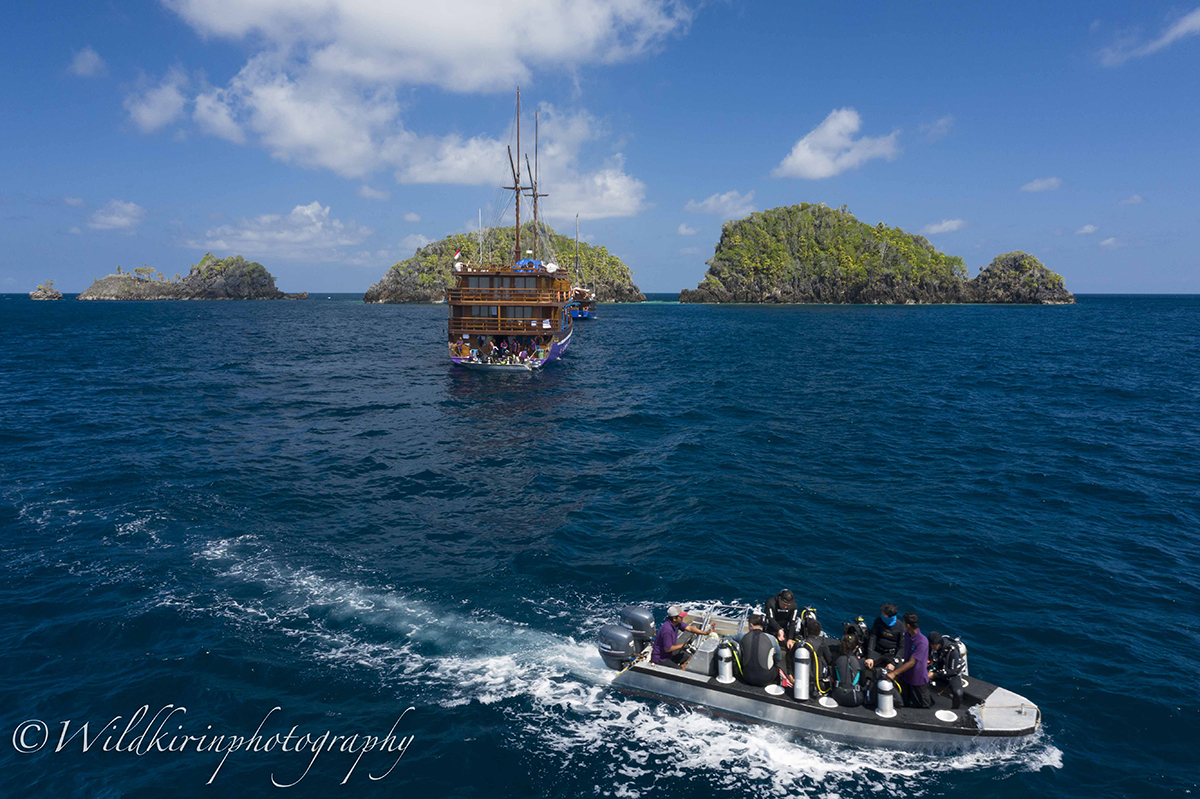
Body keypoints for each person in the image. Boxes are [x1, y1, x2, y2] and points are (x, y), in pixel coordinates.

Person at [886, 612, 933, 708]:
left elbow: (912, 662)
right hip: (906, 675)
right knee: (904, 700)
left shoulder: (922, 642)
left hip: (917, 678)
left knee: (923, 704)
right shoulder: (907, 635)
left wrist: (894, 673)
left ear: (908, 625)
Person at [732, 614, 785, 687]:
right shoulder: (771, 638)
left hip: (747, 677)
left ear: (751, 625)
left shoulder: (741, 636)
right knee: (777, 668)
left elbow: (728, 637)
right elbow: (779, 658)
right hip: (766, 679)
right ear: (762, 626)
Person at [927, 632, 966, 709]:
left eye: (934, 645)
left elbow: (952, 671)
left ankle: (955, 709)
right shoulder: (931, 647)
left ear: (939, 644)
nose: (932, 647)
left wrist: (934, 675)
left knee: (958, 693)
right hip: (937, 669)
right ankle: (928, 702)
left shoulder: (952, 651)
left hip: (949, 673)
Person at [864, 602, 905, 670]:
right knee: (864, 664)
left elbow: (902, 646)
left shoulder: (900, 626)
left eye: (883, 614)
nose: (882, 615)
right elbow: (873, 638)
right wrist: (870, 657)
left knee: (898, 670)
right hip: (878, 651)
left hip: (892, 654)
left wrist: (894, 663)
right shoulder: (878, 621)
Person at [798, 620, 833, 696]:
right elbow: (830, 660)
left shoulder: (801, 644)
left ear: (806, 630)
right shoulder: (822, 644)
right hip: (818, 683)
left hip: (802, 679)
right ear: (820, 632)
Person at [831, 634, 866, 708]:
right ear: (856, 646)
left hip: (837, 696)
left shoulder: (836, 659)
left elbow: (834, 677)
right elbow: (863, 682)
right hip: (855, 699)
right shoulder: (861, 662)